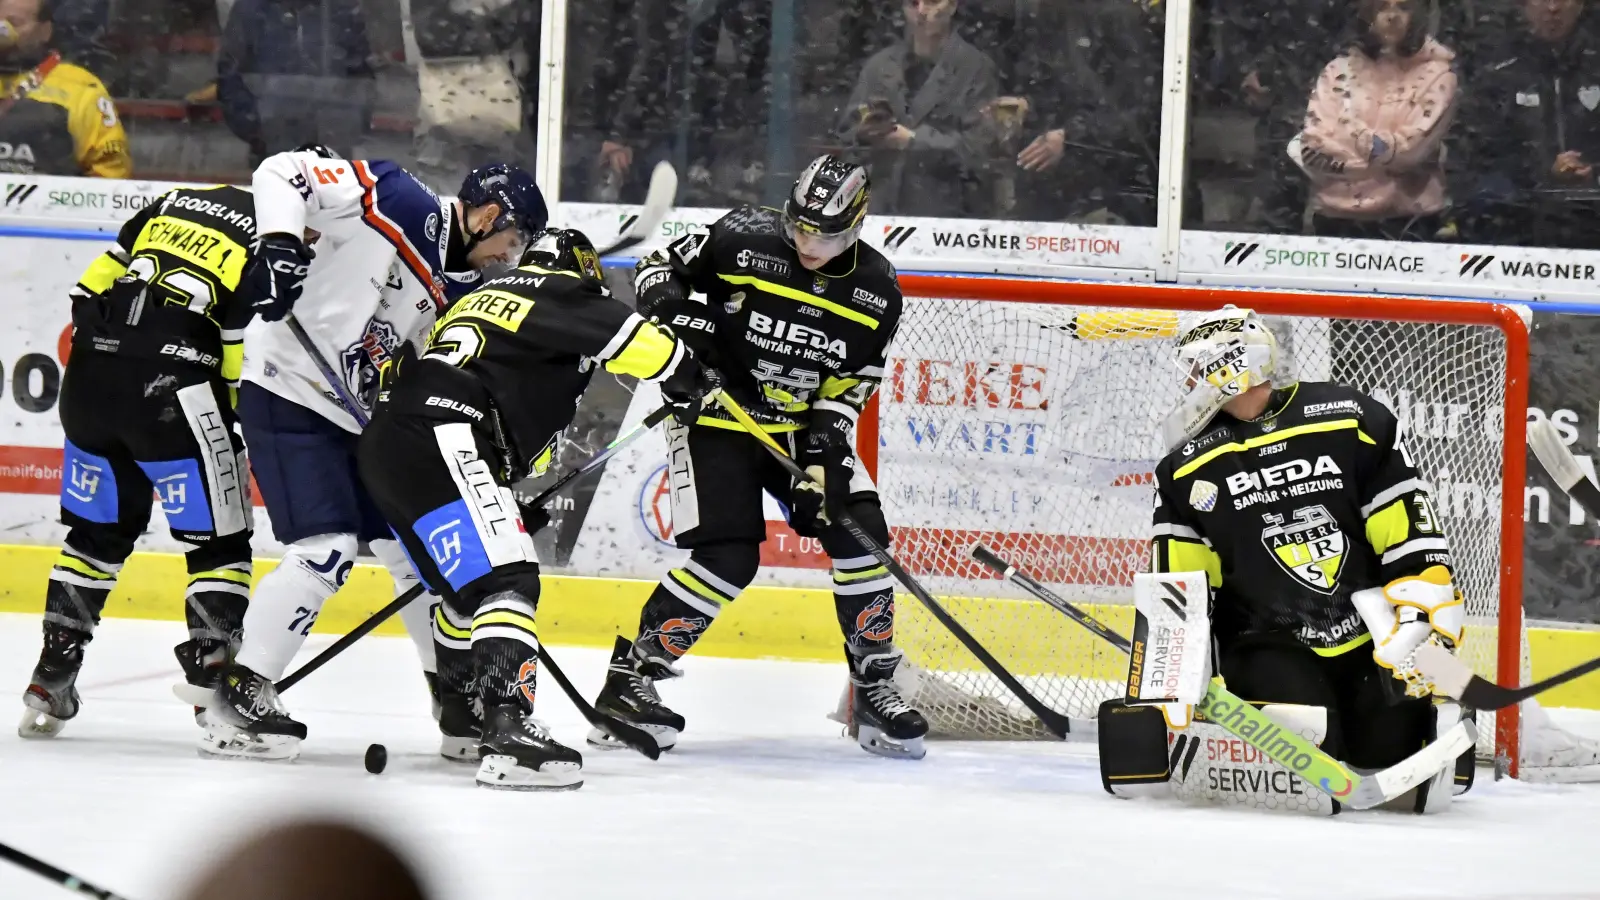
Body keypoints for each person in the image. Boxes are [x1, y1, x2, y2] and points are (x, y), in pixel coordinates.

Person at [200, 148, 546, 761]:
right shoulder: (398, 198)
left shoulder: (462, 290)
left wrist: (485, 485)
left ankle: (453, 691)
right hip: (286, 384)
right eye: (513, 241)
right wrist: (279, 246)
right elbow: (281, 171)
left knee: (417, 555)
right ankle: (242, 688)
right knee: (325, 550)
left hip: (358, 417)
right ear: (487, 214)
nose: (510, 258)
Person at [588, 154, 930, 761]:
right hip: (714, 414)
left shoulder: (878, 292)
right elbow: (658, 265)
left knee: (861, 535)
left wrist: (822, 457)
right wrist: (665, 297)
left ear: (855, 225)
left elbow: (849, 385)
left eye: (823, 235)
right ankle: (632, 678)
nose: (807, 244)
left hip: (800, 426)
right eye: (799, 227)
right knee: (729, 554)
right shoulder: (742, 236)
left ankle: (873, 685)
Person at [357, 229, 713, 789]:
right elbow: (639, 341)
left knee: (463, 589)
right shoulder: (557, 290)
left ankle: (464, 721)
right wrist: (689, 374)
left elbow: (506, 413)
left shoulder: (482, 300)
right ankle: (510, 730)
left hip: (392, 442)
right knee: (509, 580)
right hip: (447, 431)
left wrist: (508, 500)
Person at [1144, 307, 1466, 811]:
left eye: (1194, 367)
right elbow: (1178, 584)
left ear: (1227, 366)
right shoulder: (1184, 466)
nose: (1188, 381)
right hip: (1263, 639)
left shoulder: (1350, 418)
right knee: (1312, 738)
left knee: (1389, 746)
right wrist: (1177, 679)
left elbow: (1406, 529)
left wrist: (1420, 622)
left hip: (1367, 636)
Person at [19, 185, 257, 738]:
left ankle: (52, 672)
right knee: (219, 543)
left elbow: (87, 290)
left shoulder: (175, 199)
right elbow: (236, 338)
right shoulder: (274, 235)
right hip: (175, 387)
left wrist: (112, 349)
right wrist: (230, 412)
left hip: (89, 379)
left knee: (94, 537)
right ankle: (211, 683)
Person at [1294, 0, 1459, 240]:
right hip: (1335, 219)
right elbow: (1312, 148)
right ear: (1367, 14)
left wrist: (1350, 146)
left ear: (1420, 15)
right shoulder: (1338, 71)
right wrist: (1381, 158)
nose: (1392, 16)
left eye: (1403, 7)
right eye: (1382, 7)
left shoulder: (1439, 76)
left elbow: (1410, 152)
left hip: (1409, 222)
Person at [1457, 0, 1600, 248]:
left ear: (1581, 5)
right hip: (1521, 228)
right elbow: (1479, 155)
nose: (1553, 8)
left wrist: (1594, 171)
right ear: (1523, 5)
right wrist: (1544, 174)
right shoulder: (1497, 72)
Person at [837, 0, 999, 218]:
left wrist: (913, 141)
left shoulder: (976, 68)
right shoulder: (880, 66)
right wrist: (864, 133)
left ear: (952, 6)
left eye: (932, 2)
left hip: (945, 218)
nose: (921, 11)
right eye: (913, 3)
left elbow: (980, 151)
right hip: (879, 212)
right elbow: (846, 136)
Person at [215, 0, 375, 166]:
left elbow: (361, 76)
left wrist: (347, 128)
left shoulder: (342, 8)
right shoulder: (250, 8)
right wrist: (256, 130)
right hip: (272, 148)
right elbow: (230, 76)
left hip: (333, 150)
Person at [0, 0, 129, 177]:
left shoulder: (81, 88)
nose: (3, 31)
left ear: (45, 31)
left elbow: (111, 171)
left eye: (14, 23)